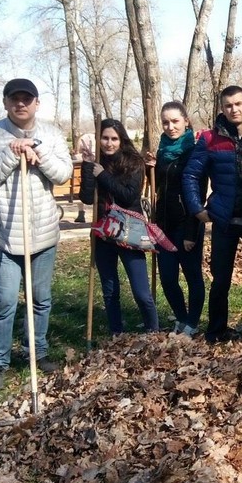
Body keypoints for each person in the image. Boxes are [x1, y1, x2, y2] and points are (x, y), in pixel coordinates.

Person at [0, 78, 73, 390]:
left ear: (36, 103)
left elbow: (64, 174)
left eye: (27, 99)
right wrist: (10, 155)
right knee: (3, 301)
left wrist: (37, 155)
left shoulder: (51, 134)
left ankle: (36, 353)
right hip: (3, 235)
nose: (21, 104)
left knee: (40, 299)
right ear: (5, 103)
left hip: (42, 234)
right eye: (15, 99)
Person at [182, 86, 242, 344]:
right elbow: (191, 175)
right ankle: (216, 332)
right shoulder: (210, 139)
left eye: (238, 104)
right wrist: (197, 208)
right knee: (220, 280)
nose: (234, 109)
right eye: (228, 105)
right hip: (224, 221)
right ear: (222, 109)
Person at [79, 118, 159, 336]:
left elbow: (127, 196)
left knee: (141, 291)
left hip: (129, 231)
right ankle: (117, 333)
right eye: (104, 138)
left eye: (114, 138)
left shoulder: (134, 163)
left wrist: (102, 175)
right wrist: (88, 166)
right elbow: (86, 197)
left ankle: (153, 332)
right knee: (110, 289)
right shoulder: (95, 162)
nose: (109, 143)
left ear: (121, 139)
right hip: (103, 233)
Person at [148, 101, 205, 336]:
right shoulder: (162, 151)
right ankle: (181, 317)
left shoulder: (195, 151)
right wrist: (149, 168)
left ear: (186, 121)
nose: (170, 127)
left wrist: (192, 232)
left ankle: (193, 321)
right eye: (165, 122)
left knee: (192, 275)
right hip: (164, 224)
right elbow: (161, 186)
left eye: (175, 121)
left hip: (186, 223)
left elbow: (198, 193)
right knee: (168, 278)